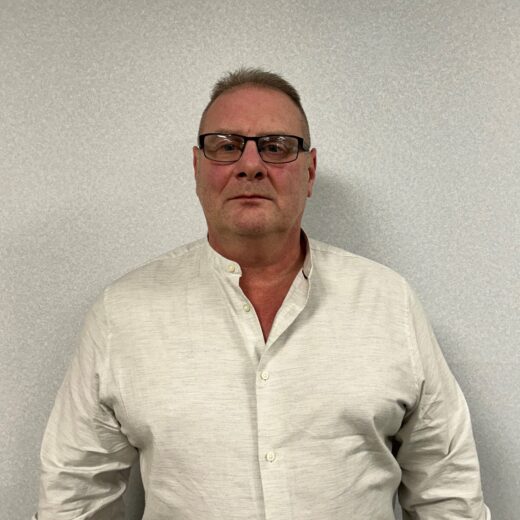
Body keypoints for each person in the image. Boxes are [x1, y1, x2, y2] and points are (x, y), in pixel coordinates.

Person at [33, 67, 491, 519]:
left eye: (275, 147)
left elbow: (447, 494)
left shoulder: (389, 304)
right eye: (226, 146)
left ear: (309, 173)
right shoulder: (122, 314)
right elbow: (73, 499)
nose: (249, 166)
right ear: (197, 169)